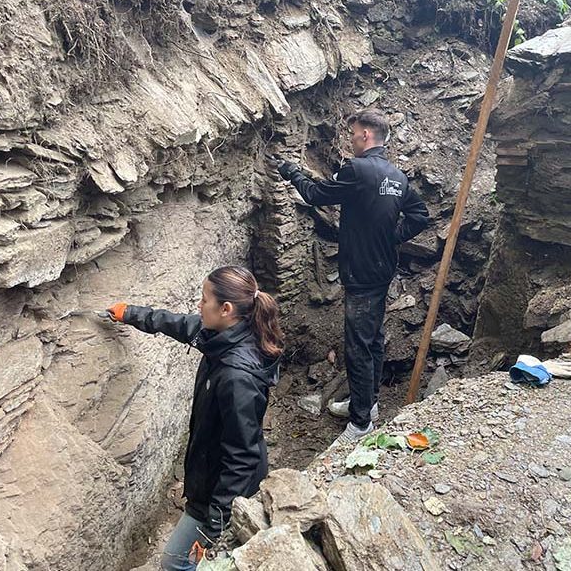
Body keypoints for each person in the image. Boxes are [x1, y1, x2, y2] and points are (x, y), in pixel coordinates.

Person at [106, 266, 282, 570]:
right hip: (212, 473)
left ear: (226, 309)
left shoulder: (236, 376)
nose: (198, 307)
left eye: (203, 300)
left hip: (223, 488)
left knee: (174, 561)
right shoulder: (229, 335)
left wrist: (216, 525)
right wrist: (130, 313)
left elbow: (241, 457)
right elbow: (181, 324)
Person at [274, 108, 430, 446]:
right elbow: (420, 215)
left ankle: (360, 425)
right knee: (371, 338)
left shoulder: (357, 170)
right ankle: (368, 404)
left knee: (358, 345)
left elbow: (316, 195)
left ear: (366, 135)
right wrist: (391, 235)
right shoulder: (396, 176)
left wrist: (290, 171)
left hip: (360, 271)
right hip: (382, 268)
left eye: (355, 133)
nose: (352, 139)